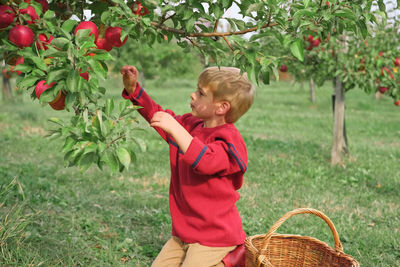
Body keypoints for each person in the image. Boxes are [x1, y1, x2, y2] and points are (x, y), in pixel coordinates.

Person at [120, 65, 255, 267]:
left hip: (215, 237)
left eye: (201, 93)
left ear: (221, 107)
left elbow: (206, 161)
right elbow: (158, 116)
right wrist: (134, 91)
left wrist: (175, 128)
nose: (192, 95)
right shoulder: (191, 125)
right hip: (184, 233)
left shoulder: (229, 141)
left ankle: (230, 261)